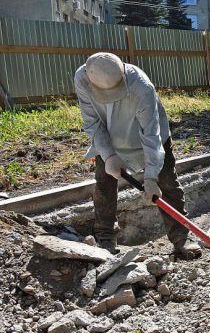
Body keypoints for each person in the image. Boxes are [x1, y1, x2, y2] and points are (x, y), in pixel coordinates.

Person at [74, 52, 201, 258]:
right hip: (108, 138)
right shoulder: (83, 78)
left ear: (123, 75)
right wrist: (108, 155)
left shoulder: (141, 86)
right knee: (104, 185)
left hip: (150, 138)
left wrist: (150, 177)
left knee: (167, 184)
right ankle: (105, 238)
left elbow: (151, 134)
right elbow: (92, 122)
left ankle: (182, 238)